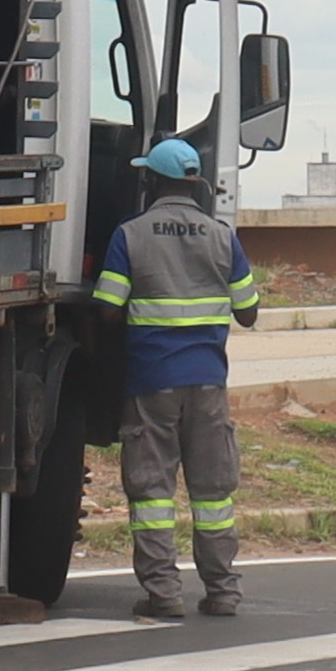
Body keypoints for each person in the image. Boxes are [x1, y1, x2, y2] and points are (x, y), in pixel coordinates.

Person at [93, 138, 261, 619]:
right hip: (208, 383)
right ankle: (223, 592)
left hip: (151, 383)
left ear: (151, 180)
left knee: (152, 493)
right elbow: (248, 313)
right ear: (195, 184)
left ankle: (164, 594)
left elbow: (107, 308)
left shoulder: (132, 235)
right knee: (213, 495)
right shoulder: (223, 236)